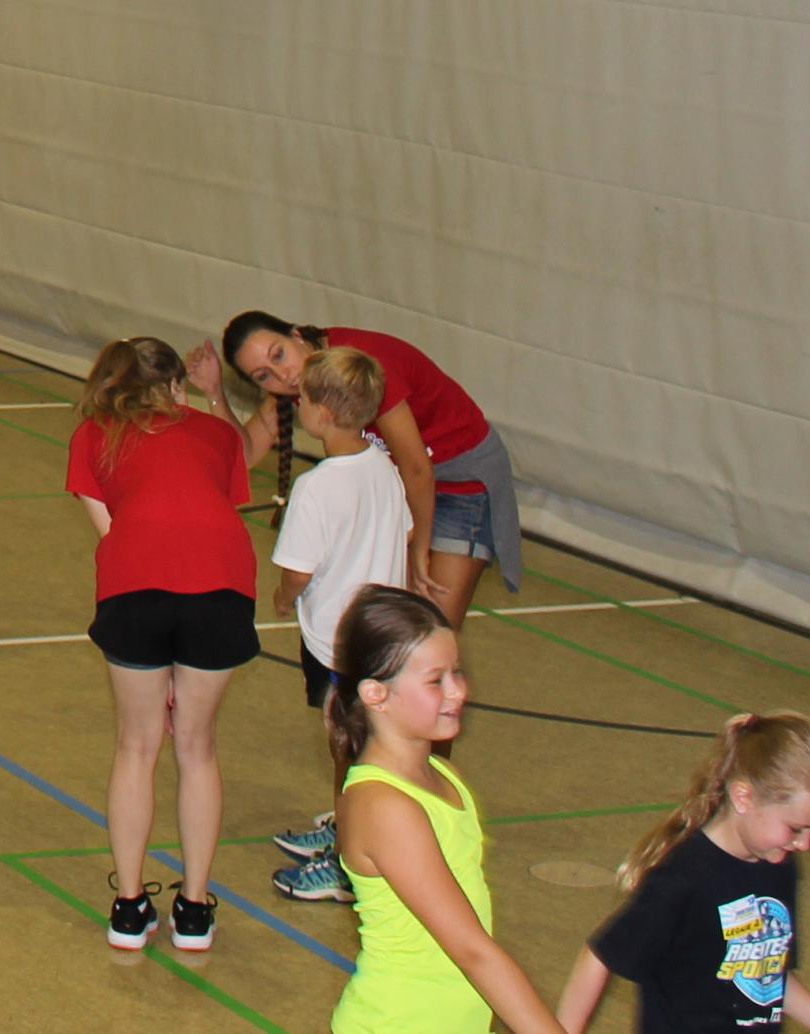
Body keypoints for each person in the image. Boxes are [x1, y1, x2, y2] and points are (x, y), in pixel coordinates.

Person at [68, 334, 256, 957]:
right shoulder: (217, 433)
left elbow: (113, 531)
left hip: (136, 582)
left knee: (136, 744)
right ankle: (194, 909)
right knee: (197, 747)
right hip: (221, 583)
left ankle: (129, 906)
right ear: (177, 385)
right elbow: (215, 506)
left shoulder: (94, 435)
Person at [328, 584, 571, 1034]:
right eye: (435, 680)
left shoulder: (442, 776)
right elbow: (473, 952)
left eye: (457, 672)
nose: (458, 690)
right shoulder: (384, 806)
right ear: (376, 694)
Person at [202, 311, 517, 626]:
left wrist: (419, 550)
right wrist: (215, 393)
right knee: (401, 625)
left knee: (433, 624)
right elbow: (244, 456)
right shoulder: (303, 386)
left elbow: (417, 469)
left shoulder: (361, 366)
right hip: (410, 482)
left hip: (462, 478)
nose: (283, 376)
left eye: (279, 355)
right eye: (263, 376)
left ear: (297, 336)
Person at [559, 714, 810, 1034]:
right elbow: (602, 956)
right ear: (743, 797)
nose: (805, 844)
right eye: (796, 829)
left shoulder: (779, 868)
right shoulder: (685, 877)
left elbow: (764, 975)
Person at [270, 345, 421, 902]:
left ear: (324, 414)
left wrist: (283, 598)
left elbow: (297, 571)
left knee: (348, 748)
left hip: (337, 641)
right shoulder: (382, 465)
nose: (298, 404)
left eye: (304, 398)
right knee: (364, 745)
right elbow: (406, 530)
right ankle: (348, 829)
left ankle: (348, 863)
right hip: (385, 634)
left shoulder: (318, 486)